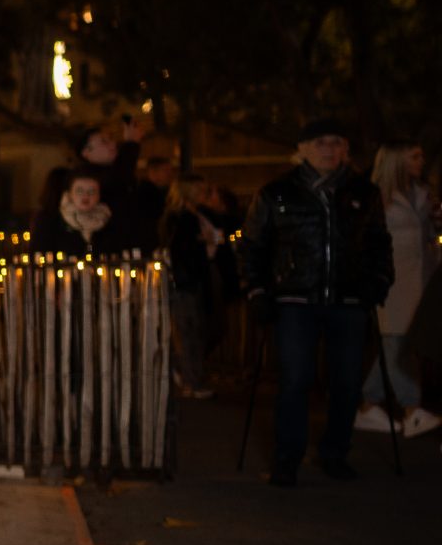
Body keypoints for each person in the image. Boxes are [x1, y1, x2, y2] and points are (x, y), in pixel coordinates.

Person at [237, 119, 394, 484]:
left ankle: (335, 452)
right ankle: (287, 457)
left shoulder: (364, 193)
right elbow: (252, 246)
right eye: (321, 142)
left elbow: (378, 243)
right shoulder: (276, 192)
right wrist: (256, 290)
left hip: (349, 299)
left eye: (337, 143)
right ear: (303, 148)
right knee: (294, 379)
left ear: (345, 150)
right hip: (295, 299)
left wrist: (379, 282)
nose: (329, 149)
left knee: (346, 382)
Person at [358, 142, 439, 437]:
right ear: (397, 160)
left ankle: (368, 405)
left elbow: (427, 236)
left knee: (398, 345)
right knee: (396, 344)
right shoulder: (376, 197)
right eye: (414, 156)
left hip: (419, 280)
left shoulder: (421, 193)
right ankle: (410, 408)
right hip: (390, 281)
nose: (421, 160)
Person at [163, 175, 231, 397]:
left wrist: (211, 239)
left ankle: (189, 373)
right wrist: (200, 242)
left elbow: (225, 235)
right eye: (200, 189)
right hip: (187, 279)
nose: (204, 193)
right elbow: (177, 248)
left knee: (208, 327)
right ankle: (190, 380)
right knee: (189, 330)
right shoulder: (178, 218)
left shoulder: (201, 215)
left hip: (204, 274)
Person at [30, 169, 127, 257]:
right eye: (79, 191)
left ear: (99, 195)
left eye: (92, 191)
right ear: (69, 194)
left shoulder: (109, 219)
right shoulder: (51, 220)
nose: (86, 196)